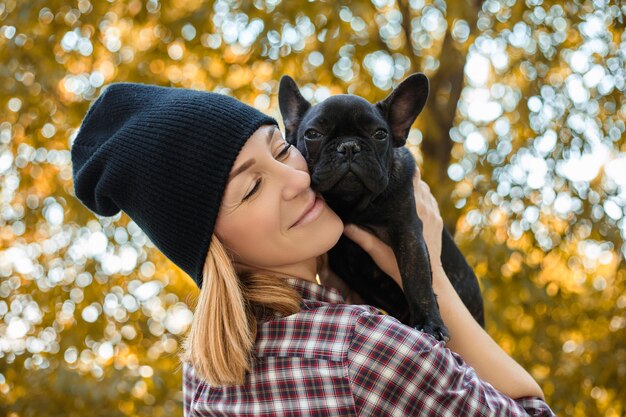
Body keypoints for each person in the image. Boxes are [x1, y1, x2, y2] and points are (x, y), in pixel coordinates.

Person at [71, 82, 556, 416]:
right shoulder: (363, 351)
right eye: (251, 188)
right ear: (213, 244)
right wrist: (435, 283)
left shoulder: (202, 373)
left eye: (283, 150)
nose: (295, 178)